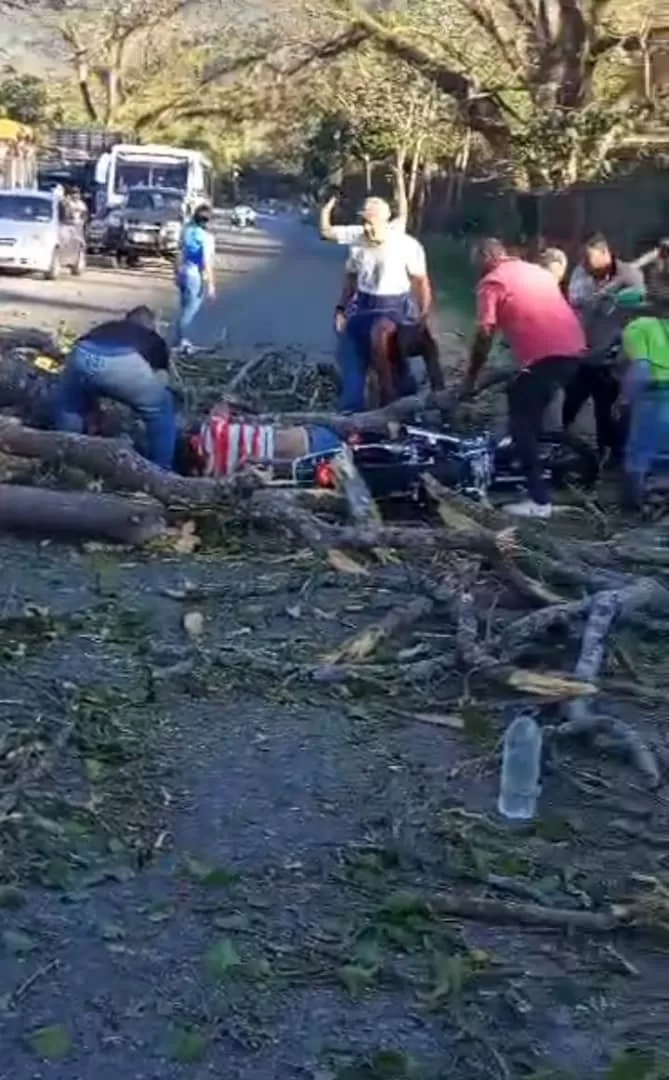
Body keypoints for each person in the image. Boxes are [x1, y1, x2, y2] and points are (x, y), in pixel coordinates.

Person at [462, 237, 587, 519]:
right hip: (574, 351)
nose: (476, 269)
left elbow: (484, 334)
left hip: (545, 358)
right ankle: (528, 462)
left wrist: (471, 377)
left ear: (486, 256)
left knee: (522, 423)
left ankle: (538, 500)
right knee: (522, 397)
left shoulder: (492, 283)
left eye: (475, 262)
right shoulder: (534, 271)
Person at [336, 197, 433, 410]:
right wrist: (341, 308)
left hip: (395, 308)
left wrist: (424, 313)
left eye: (371, 222)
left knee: (391, 358)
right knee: (350, 357)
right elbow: (351, 279)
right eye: (364, 222)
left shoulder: (406, 245)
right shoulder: (358, 245)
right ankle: (351, 414)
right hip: (363, 306)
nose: (367, 227)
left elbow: (421, 281)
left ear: (384, 221)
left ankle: (398, 399)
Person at [52, 306, 178, 470]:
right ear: (152, 325)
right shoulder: (151, 337)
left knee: (70, 403)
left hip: (82, 354)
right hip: (120, 364)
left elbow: (81, 341)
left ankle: (67, 457)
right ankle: (161, 469)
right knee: (161, 409)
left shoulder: (109, 326)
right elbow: (162, 375)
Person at [617, 264, 669, 509]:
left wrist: (624, 401)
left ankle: (632, 510)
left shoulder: (639, 328)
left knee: (637, 457)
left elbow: (641, 370)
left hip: (655, 398)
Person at [175, 202, 216, 352]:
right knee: (191, 310)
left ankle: (180, 339)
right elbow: (206, 261)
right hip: (195, 276)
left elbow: (179, 253)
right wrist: (211, 284)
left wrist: (176, 272)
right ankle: (183, 341)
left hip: (183, 271)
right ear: (208, 221)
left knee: (184, 307)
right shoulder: (206, 238)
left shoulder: (186, 232)